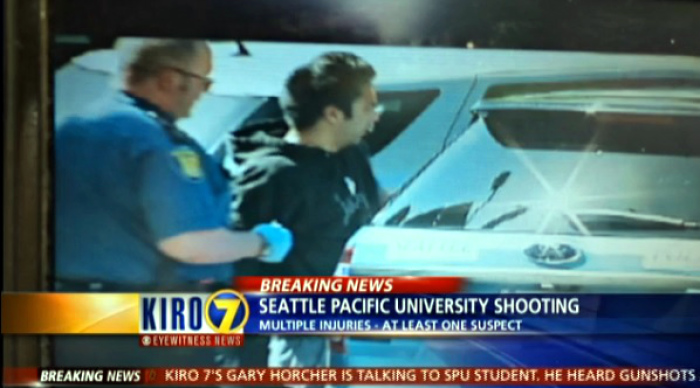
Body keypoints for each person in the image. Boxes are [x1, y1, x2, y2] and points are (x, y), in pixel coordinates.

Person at [53, 39, 292, 374]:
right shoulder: (156, 143)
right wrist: (261, 242)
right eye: (202, 81)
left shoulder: (70, 130)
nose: (204, 91)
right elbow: (188, 243)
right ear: (169, 79)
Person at [229, 52, 383, 384]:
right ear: (333, 114)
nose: (376, 116)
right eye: (369, 107)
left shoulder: (353, 156)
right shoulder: (273, 175)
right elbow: (237, 272)